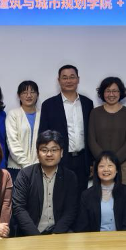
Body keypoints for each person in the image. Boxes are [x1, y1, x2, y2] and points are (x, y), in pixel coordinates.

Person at [11, 131, 79, 236]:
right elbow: (19, 208)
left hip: (59, 233)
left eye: (54, 150)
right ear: (37, 153)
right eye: (44, 150)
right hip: (31, 234)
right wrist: (36, 237)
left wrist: (56, 234)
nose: (49, 154)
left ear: (61, 152)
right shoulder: (25, 175)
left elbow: (71, 210)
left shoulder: (70, 177)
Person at [39, 65, 94, 193]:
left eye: (72, 77)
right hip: (60, 160)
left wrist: (91, 161)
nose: (68, 81)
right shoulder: (49, 105)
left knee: (81, 197)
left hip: (83, 160)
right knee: (60, 197)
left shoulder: (87, 103)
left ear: (78, 79)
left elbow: (90, 134)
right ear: (59, 80)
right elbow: (43, 135)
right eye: (64, 78)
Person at [88, 77, 126, 187]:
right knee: (101, 196)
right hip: (100, 164)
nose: (111, 94)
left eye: (115, 91)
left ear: (120, 92)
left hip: (123, 164)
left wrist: (114, 160)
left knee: (124, 195)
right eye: (108, 91)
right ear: (102, 93)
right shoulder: (95, 113)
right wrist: (104, 161)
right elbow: (91, 139)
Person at [75, 152, 126, 232]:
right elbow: (82, 225)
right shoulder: (87, 195)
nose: (106, 169)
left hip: (120, 238)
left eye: (110, 165)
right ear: (96, 170)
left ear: (117, 170)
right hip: (94, 239)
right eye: (101, 166)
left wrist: (121, 238)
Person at [6, 80, 42, 179]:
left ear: (37, 95)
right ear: (19, 95)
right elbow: (12, 142)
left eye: (32, 92)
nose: (29, 95)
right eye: (24, 93)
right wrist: (27, 165)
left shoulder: (43, 115)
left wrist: (37, 164)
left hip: (39, 167)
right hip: (16, 168)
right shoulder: (13, 114)